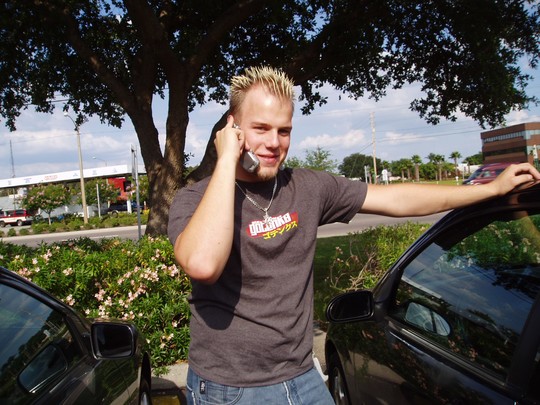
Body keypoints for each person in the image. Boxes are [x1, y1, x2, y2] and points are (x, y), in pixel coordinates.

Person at [168, 66, 540, 404]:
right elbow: (203, 264)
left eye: (284, 131)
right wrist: (226, 161)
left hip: (302, 375)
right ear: (232, 128)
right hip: (230, 389)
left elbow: (396, 199)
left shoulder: (308, 187)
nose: (274, 143)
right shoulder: (195, 200)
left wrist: (489, 190)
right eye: (260, 128)